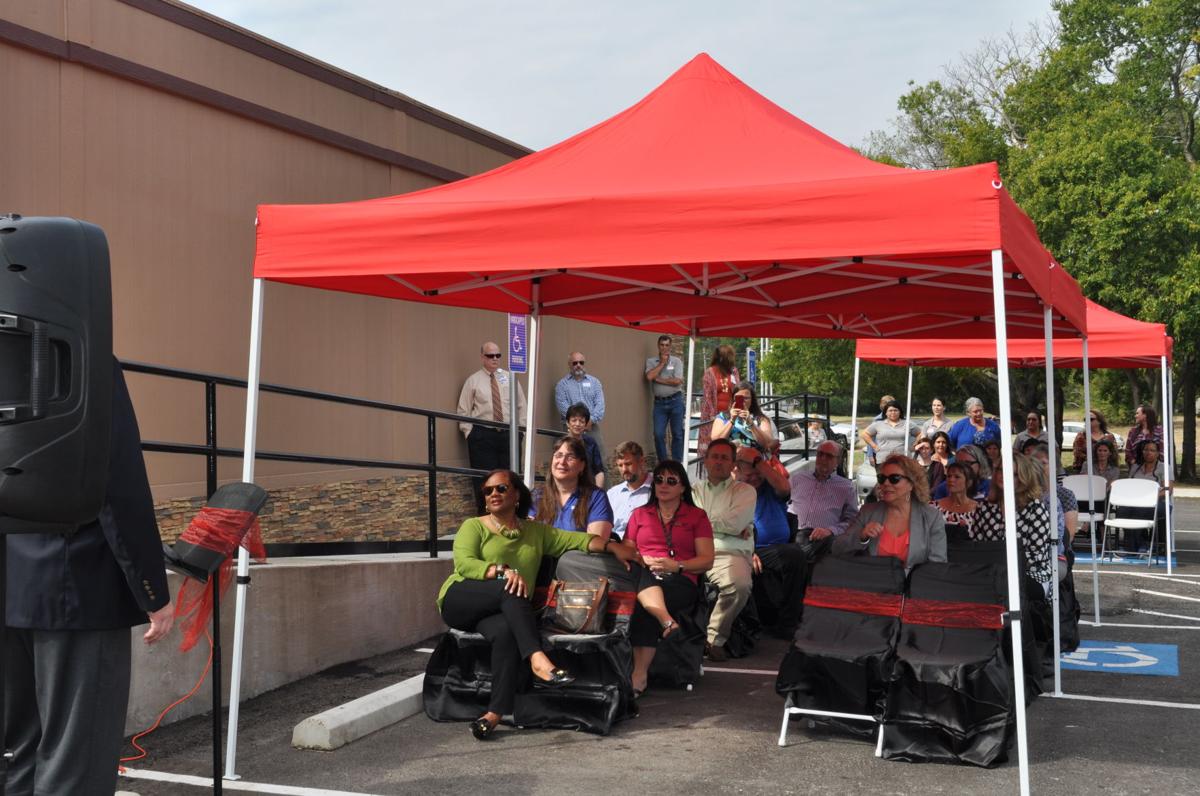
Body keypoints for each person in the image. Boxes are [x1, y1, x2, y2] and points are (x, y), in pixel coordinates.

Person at [5, 360, 175, 795]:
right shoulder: (81, 354)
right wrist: (151, 589)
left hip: (12, 577)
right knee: (76, 763)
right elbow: (116, 479)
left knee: (20, 754)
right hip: (78, 582)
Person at [437, 469, 642, 740]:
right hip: (461, 599)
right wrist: (502, 571)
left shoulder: (536, 532)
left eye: (501, 488)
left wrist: (612, 547)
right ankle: (537, 658)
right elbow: (465, 563)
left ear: (517, 495)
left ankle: (494, 713)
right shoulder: (474, 526)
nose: (493, 494)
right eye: (488, 491)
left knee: (505, 633)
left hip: (502, 610)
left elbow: (578, 540)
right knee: (511, 586)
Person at [623, 460, 715, 696]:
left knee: (644, 604)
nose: (663, 485)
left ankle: (638, 675)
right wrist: (641, 558)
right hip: (643, 574)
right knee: (640, 580)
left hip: (680, 579)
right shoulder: (639, 514)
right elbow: (627, 552)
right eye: (659, 480)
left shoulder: (696, 516)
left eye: (671, 481)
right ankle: (666, 621)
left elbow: (707, 560)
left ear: (683, 487)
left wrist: (678, 566)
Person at [692, 438, 756, 661]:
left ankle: (714, 639)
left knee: (739, 585)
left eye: (724, 458)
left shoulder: (745, 491)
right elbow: (690, 522)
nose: (718, 462)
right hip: (695, 551)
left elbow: (735, 524)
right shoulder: (693, 490)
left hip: (729, 553)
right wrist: (726, 526)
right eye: (714, 457)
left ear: (733, 464)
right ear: (706, 461)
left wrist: (703, 523)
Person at [736, 446, 807, 639]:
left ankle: (788, 623)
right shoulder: (735, 493)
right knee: (793, 554)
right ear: (738, 472)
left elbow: (784, 487)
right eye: (749, 474)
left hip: (777, 549)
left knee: (796, 554)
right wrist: (747, 551)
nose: (755, 478)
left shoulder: (770, 488)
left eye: (758, 474)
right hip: (749, 550)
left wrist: (758, 461)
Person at [834, 454, 947, 570]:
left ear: (911, 484)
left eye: (894, 479)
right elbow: (837, 548)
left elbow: (937, 566)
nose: (886, 483)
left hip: (914, 581)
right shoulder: (867, 512)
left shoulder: (932, 517)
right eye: (882, 478)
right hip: (870, 579)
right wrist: (862, 536)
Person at [458, 341, 527, 512]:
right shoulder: (473, 381)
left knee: (510, 478)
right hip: (483, 435)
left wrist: (521, 431)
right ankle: (484, 516)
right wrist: (470, 433)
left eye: (498, 355)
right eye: (490, 355)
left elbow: (522, 405)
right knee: (484, 480)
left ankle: (512, 514)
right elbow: (464, 410)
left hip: (508, 435)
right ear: (482, 357)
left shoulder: (510, 378)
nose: (495, 359)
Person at [969, 454, 1055, 592]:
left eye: (1013, 474)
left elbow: (1036, 555)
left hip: (1031, 573)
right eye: (1001, 470)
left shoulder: (1035, 508)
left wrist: (1001, 566)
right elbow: (976, 545)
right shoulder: (985, 507)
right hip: (990, 572)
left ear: (1023, 478)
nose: (1004, 476)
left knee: (1005, 587)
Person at [533, 436, 613, 538]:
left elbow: (596, 541)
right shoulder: (537, 495)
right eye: (558, 456)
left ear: (582, 465)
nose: (562, 462)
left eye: (570, 457)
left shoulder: (596, 497)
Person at [788, 440, 859, 544]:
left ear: (838, 461)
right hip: (792, 535)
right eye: (820, 454)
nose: (823, 459)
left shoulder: (846, 487)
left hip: (821, 541)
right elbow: (783, 503)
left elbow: (852, 521)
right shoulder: (798, 478)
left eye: (829, 456)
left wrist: (830, 531)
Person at [1125, 439, 1173, 553]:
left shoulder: (1164, 467)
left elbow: (1168, 490)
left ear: (1157, 453)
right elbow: (1128, 485)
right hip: (1136, 502)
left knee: (1139, 511)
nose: (1148, 452)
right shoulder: (1135, 467)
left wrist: (1149, 497)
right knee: (1123, 510)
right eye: (1146, 450)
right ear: (1142, 452)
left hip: (1158, 503)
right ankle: (1137, 543)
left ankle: (1139, 545)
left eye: (1152, 450)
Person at [646, 334, 686, 463]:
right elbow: (649, 377)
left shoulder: (676, 361)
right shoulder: (651, 361)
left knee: (677, 434)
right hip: (659, 403)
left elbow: (677, 381)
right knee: (658, 434)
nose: (664, 348)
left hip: (675, 401)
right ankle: (663, 464)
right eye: (662, 345)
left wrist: (659, 379)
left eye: (667, 345)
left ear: (670, 346)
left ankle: (676, 464)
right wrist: (662, 363)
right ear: (658, 346)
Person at [554, 351, 606, 453]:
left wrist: (590, 420)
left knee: (599, 456)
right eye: (575, 363)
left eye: (581, 362)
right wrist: (578, 421)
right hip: (571, 428)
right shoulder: (562, 385)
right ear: (569, 364)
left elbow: (600, 405)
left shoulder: (594, 382)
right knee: (573, 455)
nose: (578, 365)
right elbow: (563, 407)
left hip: (591, 426)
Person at [698, 344, 739, 461]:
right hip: (714, 416)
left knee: (730, 446)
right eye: (729, 356)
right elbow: (707, 397)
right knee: (715, 446)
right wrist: (713, 417)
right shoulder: (710, 372)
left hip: (730, 415)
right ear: (721, 357)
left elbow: (738, 390)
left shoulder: (733, 371)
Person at [712, 381, 776, 452]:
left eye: (746, 398)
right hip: (730, 457)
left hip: (754, 457)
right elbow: (716, 442)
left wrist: (751, 423)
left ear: (752, 400)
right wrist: (732, 420)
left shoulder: (761, 419)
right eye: (739, 398)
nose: (743, 401)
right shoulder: (723, 417)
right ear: (733, 399)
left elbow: (767, 443)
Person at [607, 441, 653, 540]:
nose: (624, 469)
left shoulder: (659, 490)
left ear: (641, 461)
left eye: (628, 464)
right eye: (620, 465)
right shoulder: (612, 494)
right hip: (611, 544)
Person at [932, 460, 979, 537]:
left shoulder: (979, 510)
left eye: (957, 477)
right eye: (949, 476)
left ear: (969, 482)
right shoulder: (933, 507)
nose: (951, 480)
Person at [565, 402, 605, 487]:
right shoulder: (562, 443)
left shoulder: (591, 442)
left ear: (586, 424)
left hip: (589, 488)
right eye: (574, 420)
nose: (577, 424)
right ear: (567, 423)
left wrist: (597, 492)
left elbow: (599, 471)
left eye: (581, 421)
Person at [1072, 409, 1116, 474]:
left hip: (1105, 471)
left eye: (1091, 419)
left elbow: (1114, 454)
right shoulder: (1081, 436)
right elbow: (1077, 453)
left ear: (1099, 421)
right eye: (1085, 419)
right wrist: (1095, 459)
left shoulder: (1109, 437)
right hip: (1083, 470)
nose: (1087, 421)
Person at [1124, 403, 1163, 470]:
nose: (1135, 416)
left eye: (1137, 413)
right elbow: (1128, 451)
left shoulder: (1160, 431)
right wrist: (1135, 464)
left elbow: (1162, 452)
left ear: (1145, 415)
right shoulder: (1133, 431)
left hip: (1156, 469)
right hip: (1137, 468)